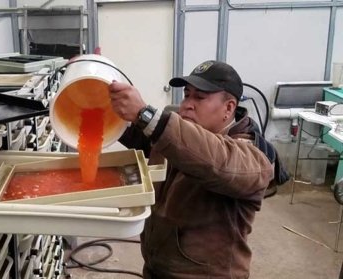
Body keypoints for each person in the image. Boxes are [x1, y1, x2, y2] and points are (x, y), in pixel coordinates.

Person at [108, 60, 288, 279]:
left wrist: (145, 115)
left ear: (229, 107)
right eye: (187, 95)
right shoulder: (184, 133)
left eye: (200, 97)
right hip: (158, 266)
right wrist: (111, 113)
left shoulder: (252, 158)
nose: (188, 104)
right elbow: (155, 144)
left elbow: (213, 160)